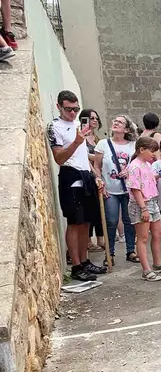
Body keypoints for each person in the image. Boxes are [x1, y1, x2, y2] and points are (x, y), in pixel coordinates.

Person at [48, 90, 106, 281]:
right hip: (70, 175)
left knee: (86, 222)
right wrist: (76, 141)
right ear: (59, 107)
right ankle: (76, 265)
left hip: (85, 175)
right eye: (68, 109)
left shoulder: (78, 125)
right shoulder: (54, 127)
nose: (73, 113)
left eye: (76, 109)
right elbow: (59, 158)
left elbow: (83, 156)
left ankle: (85, 260)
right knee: (74, 222)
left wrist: (95, 175)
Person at [126, 137, 161, 281]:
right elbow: (135, 189)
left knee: (158, 233)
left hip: (152, 201)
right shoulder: (135, 166)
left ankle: (158, 263)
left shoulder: (146, 164)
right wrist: (143, 208)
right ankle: (146, 270)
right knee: (142, 237)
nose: (153, 154)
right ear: (141, 150)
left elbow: (148, 180)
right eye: (152, 151)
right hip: (141, 204)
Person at [93, 115, 140, 265]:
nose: (115, 123)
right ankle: (110, 253)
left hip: (128, 189)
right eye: (115, 121)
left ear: (126, 129)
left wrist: (129, 171)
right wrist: (99, 180)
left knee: (129, 221)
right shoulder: (103, 144)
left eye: (120, 122)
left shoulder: (133, 145)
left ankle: (131, 251)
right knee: (111, 220)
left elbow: (137, 164)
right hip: (110, 189)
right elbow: (96, 166)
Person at [79, 109, 105, 252]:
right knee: (89, 209)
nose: (95, 120)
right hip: (88, 176)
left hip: (99, 175)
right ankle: (89, 241)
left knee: (98, 209)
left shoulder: (98, 139)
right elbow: (85, 157)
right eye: (91, 118)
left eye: (96, 118)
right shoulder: (82, 137)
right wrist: (95, 172)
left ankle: (100, 238)